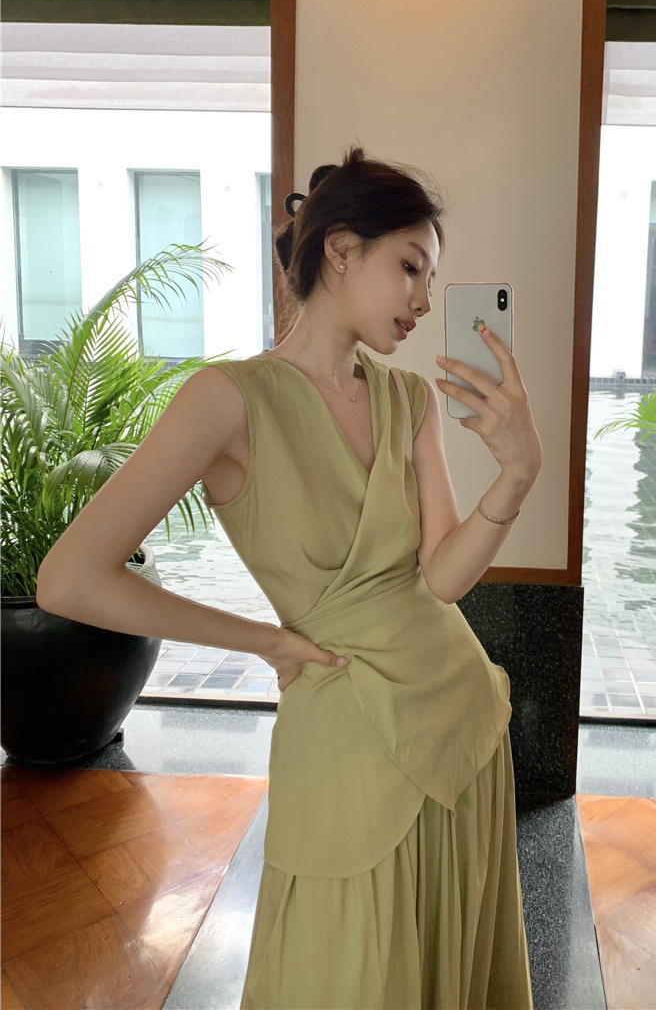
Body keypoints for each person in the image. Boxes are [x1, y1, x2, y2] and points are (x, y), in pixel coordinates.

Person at [36, 145, 543, 1009]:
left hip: (461, 720)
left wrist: (517, 474)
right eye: (410, 267)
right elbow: (70, 579)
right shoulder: (227, 399)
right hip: (343, 730)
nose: (425, 299)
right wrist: (263, 641)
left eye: (431, 276)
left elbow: (445, 579)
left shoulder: (410, 400)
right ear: (341, 250)